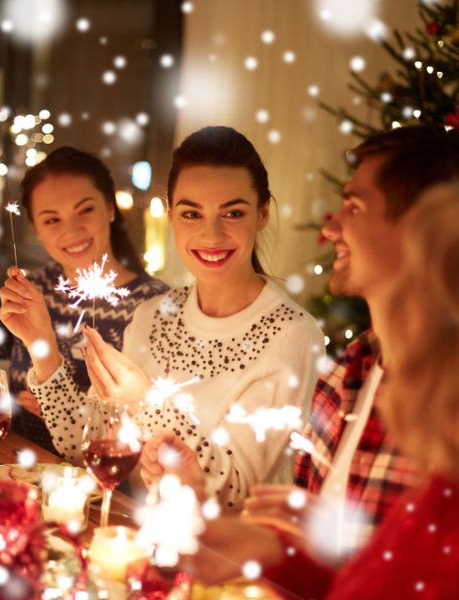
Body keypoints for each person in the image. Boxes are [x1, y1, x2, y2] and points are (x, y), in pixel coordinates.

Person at [0, 126, 323, 509]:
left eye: (233, 212)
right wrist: (43, 347)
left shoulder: (291, 334)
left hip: (214, 557)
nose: (212, 234)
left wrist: (146, 402)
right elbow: (85, 445)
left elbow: (234, 493)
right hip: (132, 533)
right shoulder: (155, 313)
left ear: (263, 213)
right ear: (171, 215)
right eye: (191, 213)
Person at [191, 183, 459, 599]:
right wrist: (269, 553)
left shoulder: (290, 334)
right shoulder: (351, 373)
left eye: (409, 292)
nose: (331, 228)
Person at [242, 125, 459, 556]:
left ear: (419, 227)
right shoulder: (345, 375)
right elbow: (317, 564)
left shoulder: (445, 405)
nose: (331, 229)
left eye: (354, 208)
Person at [0, 146, 168, 451]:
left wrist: (64, 410)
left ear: (109, 208)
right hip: (21, 470)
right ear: (37, 229)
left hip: (102, 485)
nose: (72, 229)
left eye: (85, 210)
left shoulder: (155, 307)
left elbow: (158, 426)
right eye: (52, 220)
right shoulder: (33, 290)